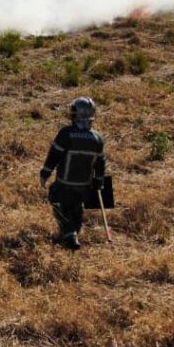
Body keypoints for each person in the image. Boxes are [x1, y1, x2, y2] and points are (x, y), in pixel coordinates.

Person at [40, 97, 107, 250]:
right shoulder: (98, 139)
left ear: (77, 114)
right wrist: (99, 181)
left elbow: (54, 156)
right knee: (77, 209)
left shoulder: (66, 134)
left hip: (65, 183)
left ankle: (70, 235)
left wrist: (45, 173)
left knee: (58, 203)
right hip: (84, 186)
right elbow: (100, 163)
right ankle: (73, 235)